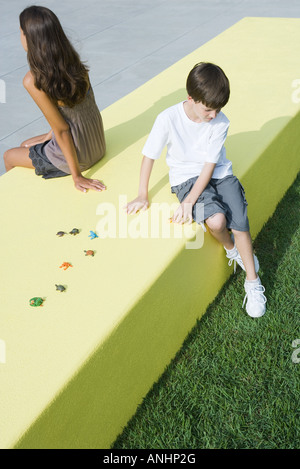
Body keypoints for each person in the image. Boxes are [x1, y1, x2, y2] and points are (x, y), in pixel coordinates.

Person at [125, 62, 267, 318]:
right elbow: (149, 156)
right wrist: (142, 194)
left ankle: (253, 281)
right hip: (186, 180)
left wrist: (189, 203)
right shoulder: (167, 118)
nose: (214, 115)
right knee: (216, 221)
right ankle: (231, 249)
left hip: (219, 173)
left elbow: (210, 166)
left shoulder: (220, 122)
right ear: (191, 98)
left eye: (218, 109)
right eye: (208, 109)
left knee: (239, 221)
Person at [3, 6, 106, 193]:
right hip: (97, 143)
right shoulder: (75, 63)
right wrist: (46, 137)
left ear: (29, 37)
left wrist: (77, 176)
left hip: (78, 156)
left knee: (9, 156)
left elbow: (63, 129)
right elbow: (71, 115)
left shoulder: (33, 80)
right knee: (26, 144)